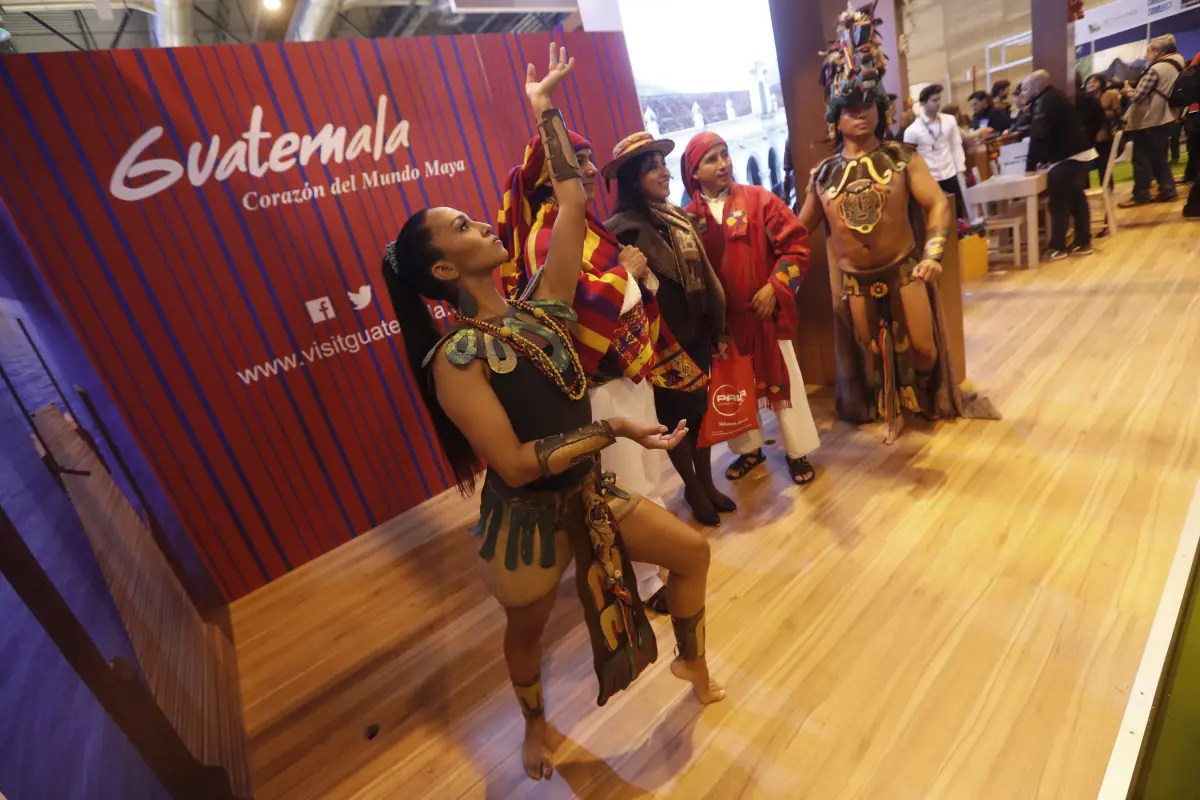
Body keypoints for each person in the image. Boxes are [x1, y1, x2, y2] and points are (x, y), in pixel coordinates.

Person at [384, 45, 724, 784]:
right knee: (527, 632)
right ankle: (536, 725)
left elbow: (572, 201)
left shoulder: (544, 305)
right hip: (526, 521)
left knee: (692, 554)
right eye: (466, 228)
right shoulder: (456, 358)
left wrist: (543, 110)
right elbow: (509, 464)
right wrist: (617, 430)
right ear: (446, 271)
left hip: (589, 495)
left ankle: (690, 661)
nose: (483, 225)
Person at [495, 127, 711, 612]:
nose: (591, 171)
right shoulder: (544, 238)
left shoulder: (589, 229)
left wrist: (630, 275)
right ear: (551, 178)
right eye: (579, 161)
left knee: (644, 478)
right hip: (597, 388)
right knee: (623, 488)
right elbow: (571, 308)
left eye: (592, 160)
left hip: (624, 376)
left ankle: (648, 573)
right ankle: (638, 585)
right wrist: (626, 274)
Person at [800, 7, 999, 444]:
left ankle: (925, 398)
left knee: (925, 349)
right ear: (836, 115)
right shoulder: (824, 175)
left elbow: (938, 206)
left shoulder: (903, 158)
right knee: (870, 350)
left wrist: (932, 255)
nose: (861, 115)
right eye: (850, 108)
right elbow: (798, 232)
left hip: (904, 267)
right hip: (855, 280)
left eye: (868, 105)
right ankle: (891, 406)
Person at [602, 133, 736, 526]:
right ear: (632, 179)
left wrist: (717, 326)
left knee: (699, 413)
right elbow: (623, 290)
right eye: (653, 167)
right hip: (662, 342)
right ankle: (692, 489)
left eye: (663, 164)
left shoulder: (676, 216)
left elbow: (704, 277)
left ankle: (706, 482)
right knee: (677, 418)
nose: (664, 172)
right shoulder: (621, 229)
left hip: (695, 331)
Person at [681, 132, 822, 486]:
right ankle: (749, 450)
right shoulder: (686, 221)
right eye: (712, 159)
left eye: (725, 154)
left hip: (765, 316)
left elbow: (797, 246)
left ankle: (798, 451)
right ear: (694, 173)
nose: (724, 164)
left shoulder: (760, 200)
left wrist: (776, 288)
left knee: (784, 381)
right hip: (725, 325)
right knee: (732, 387)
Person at [1021, 70, 1096, 259]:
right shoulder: (1054, 98)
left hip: (1069, 157)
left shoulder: (1046, 101)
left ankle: (1058, 247)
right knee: (1076, 199)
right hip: (1077, 154)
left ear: (1037, 86)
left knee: (1059, 201)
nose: (1023, 92)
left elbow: (1038, 136)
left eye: (1025, 88)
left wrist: (1030, 167)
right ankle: (1082, 241)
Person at [1120, 35, 1186, 207]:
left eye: (1148, 50)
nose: (1146, 55)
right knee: (1159, 158)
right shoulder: (1177, 64)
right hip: (1165, 118)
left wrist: (1128, 90)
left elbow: (1139, 96)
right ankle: (1167, 190)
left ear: (1157, 50)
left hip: (1150, 120)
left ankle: (1141, 195)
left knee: (1141, 159)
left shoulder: (1156, 69)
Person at [904, 84, 969, 221]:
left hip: (950, 172)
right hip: (930, 177)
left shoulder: (949, 120)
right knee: (937, 215)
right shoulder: (912, 131)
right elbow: (909, 160)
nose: (938, 103)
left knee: (957, 213)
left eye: (939, 99)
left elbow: (956, 145)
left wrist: (960, 169)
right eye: (934, 100)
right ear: (923, 103)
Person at [1081, 73, 1123, 190]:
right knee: (1084, 166)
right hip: (1087, 136)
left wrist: (1100, 114)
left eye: (1094, 81)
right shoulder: (1084, 98)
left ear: (1101, 83)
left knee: (1103, 163)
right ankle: (1086, 190)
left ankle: (1107, 188)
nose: (1091, 84)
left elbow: (1117, 112)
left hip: (1103, 134)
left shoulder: (1110, 95)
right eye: (1089, 82)